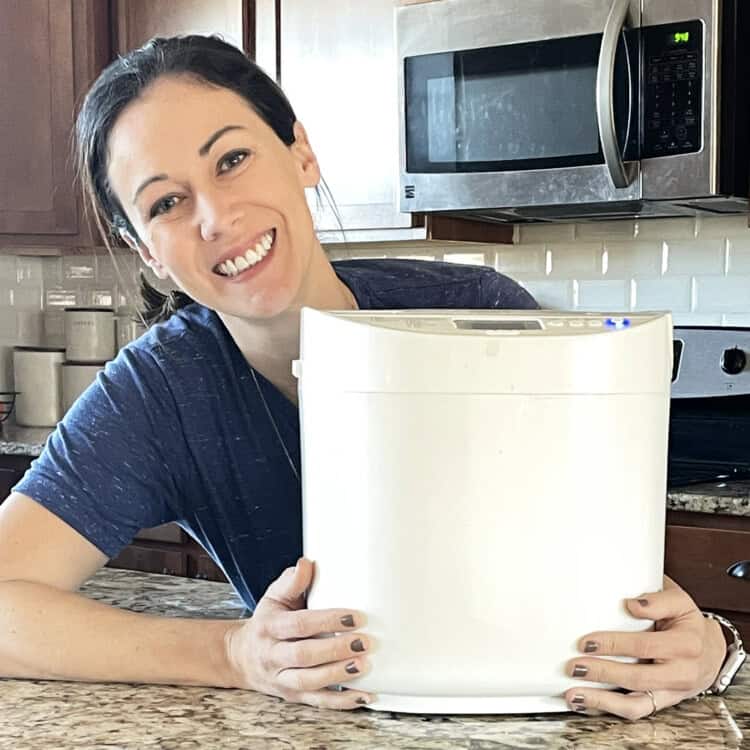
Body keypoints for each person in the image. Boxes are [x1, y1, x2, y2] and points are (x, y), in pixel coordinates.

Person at [0, 35, 732, 718]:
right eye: (166, 203)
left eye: (231, 160)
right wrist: (231, 653)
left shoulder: (481, 314)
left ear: (301, 152)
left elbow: (627, 596)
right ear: (147, 252)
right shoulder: (162, 393)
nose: (216, 216)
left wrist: (706, 649)